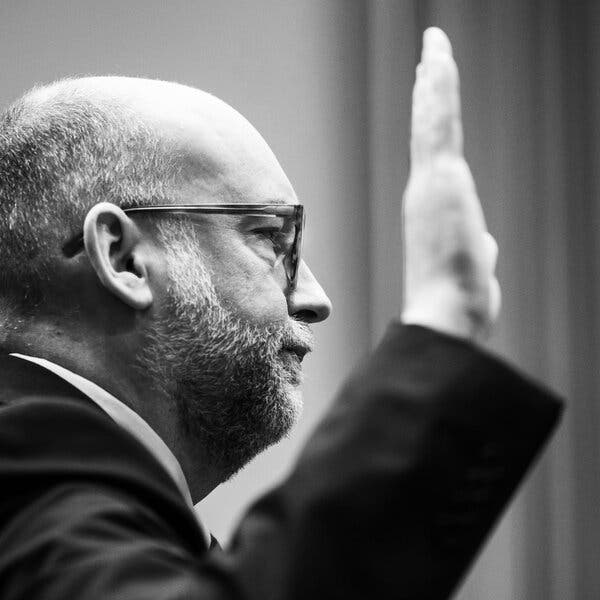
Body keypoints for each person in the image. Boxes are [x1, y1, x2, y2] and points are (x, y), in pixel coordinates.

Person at [0, 27, 561, 599]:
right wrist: (443, 317)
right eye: (272, 239)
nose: (316, 299)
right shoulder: (18, 462)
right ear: (124, 257)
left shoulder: (87, 497)